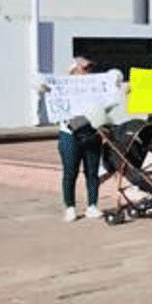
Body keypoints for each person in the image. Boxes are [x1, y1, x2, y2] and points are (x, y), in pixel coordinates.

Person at [47, 57, 105, 222]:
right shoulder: (63, 86)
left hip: (91, 132)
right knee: (70, 171)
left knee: (92, 172)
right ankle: (70, 206)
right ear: (74, 70)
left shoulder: (96, 87)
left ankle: (92, 205)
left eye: (89, 68)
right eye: (84, 68)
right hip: (69, 134)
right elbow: (45, 88)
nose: (87, 71)